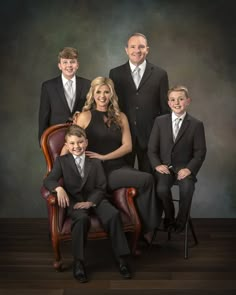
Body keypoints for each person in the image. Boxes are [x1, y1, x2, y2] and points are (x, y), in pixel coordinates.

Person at [66, 77, 162, 247]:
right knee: (146, 179)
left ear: (111, 94)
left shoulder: (120, 117)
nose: (102, 96)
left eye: (106, 92)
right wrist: (59, 167)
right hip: (99, 172)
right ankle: (148, 228)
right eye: (98, 92)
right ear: (92, 94)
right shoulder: (85, 116)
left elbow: (127, 147)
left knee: (147, 179)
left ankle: (142, 227)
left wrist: (104, 156)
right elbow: (70, 143)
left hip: (118, 166)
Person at [44, 125, 131, 283]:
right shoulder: (62, 161)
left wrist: (91, 202)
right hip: (75, 203)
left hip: (96, 199)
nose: (76, 146)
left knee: (113, 214)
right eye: (72, 143)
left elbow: (101, 186)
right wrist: (58, 188)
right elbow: (48, 179)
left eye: (80, 142)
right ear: (66, 145)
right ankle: (79, 262)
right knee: (82, 219)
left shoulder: (95, 162)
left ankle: (122, 259)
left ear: (86, 142)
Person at [148, 85, 206, 233]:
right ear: (168, 103)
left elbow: (200, 152)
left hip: (184, 169)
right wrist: (157, 165)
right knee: (161, 189)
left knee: (187, 188)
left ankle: (181, 222)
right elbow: (152, 149)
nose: (177, 102)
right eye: (173, 100)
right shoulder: (160, 122)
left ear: (188, 101)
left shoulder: (196, 124)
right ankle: (169, 217)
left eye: (181, 99)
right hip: (165, 168)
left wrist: (189, 169)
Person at [109, 32, 169, 173]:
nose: (137, 50)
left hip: (150, 137)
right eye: (133, 47)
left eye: (141, 47)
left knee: (149, 180)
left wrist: (161, 137)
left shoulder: (160, 74)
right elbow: (112, 105)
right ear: (126, 50)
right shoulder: (115, 74)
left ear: (147, 49)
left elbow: (165, 109)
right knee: (125, 180)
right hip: (123, 137)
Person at [38, 47, 90, 143]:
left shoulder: (88, 85)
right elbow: (43, 116)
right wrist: (43, 142)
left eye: (72, 62)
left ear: (77, 65)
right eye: (65, 62)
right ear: (59, 66)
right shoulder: (48, 86)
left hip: (81, 138)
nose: (69, 65)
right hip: (56, 137)